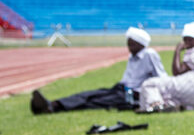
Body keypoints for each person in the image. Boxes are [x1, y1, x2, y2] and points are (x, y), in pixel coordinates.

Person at [30, 27, 165, 114]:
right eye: (128, 43)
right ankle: (52, 104)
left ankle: (53, 107)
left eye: (132, 43)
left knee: (94, 102)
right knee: (88, 94)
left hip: (131, 95)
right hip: (120, 88)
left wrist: (147, 95)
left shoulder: (149, 54)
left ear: (141, 44)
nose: (129, 46)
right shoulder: (132, 56)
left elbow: (161, 77)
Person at [137, 22, 194, 112]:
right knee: (168, 92)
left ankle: (156, 105)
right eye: (185, 40)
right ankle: (170, 105)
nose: (186, 43)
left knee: (149, 84)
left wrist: (177, 51)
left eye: (189, 40)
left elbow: (177, 72)